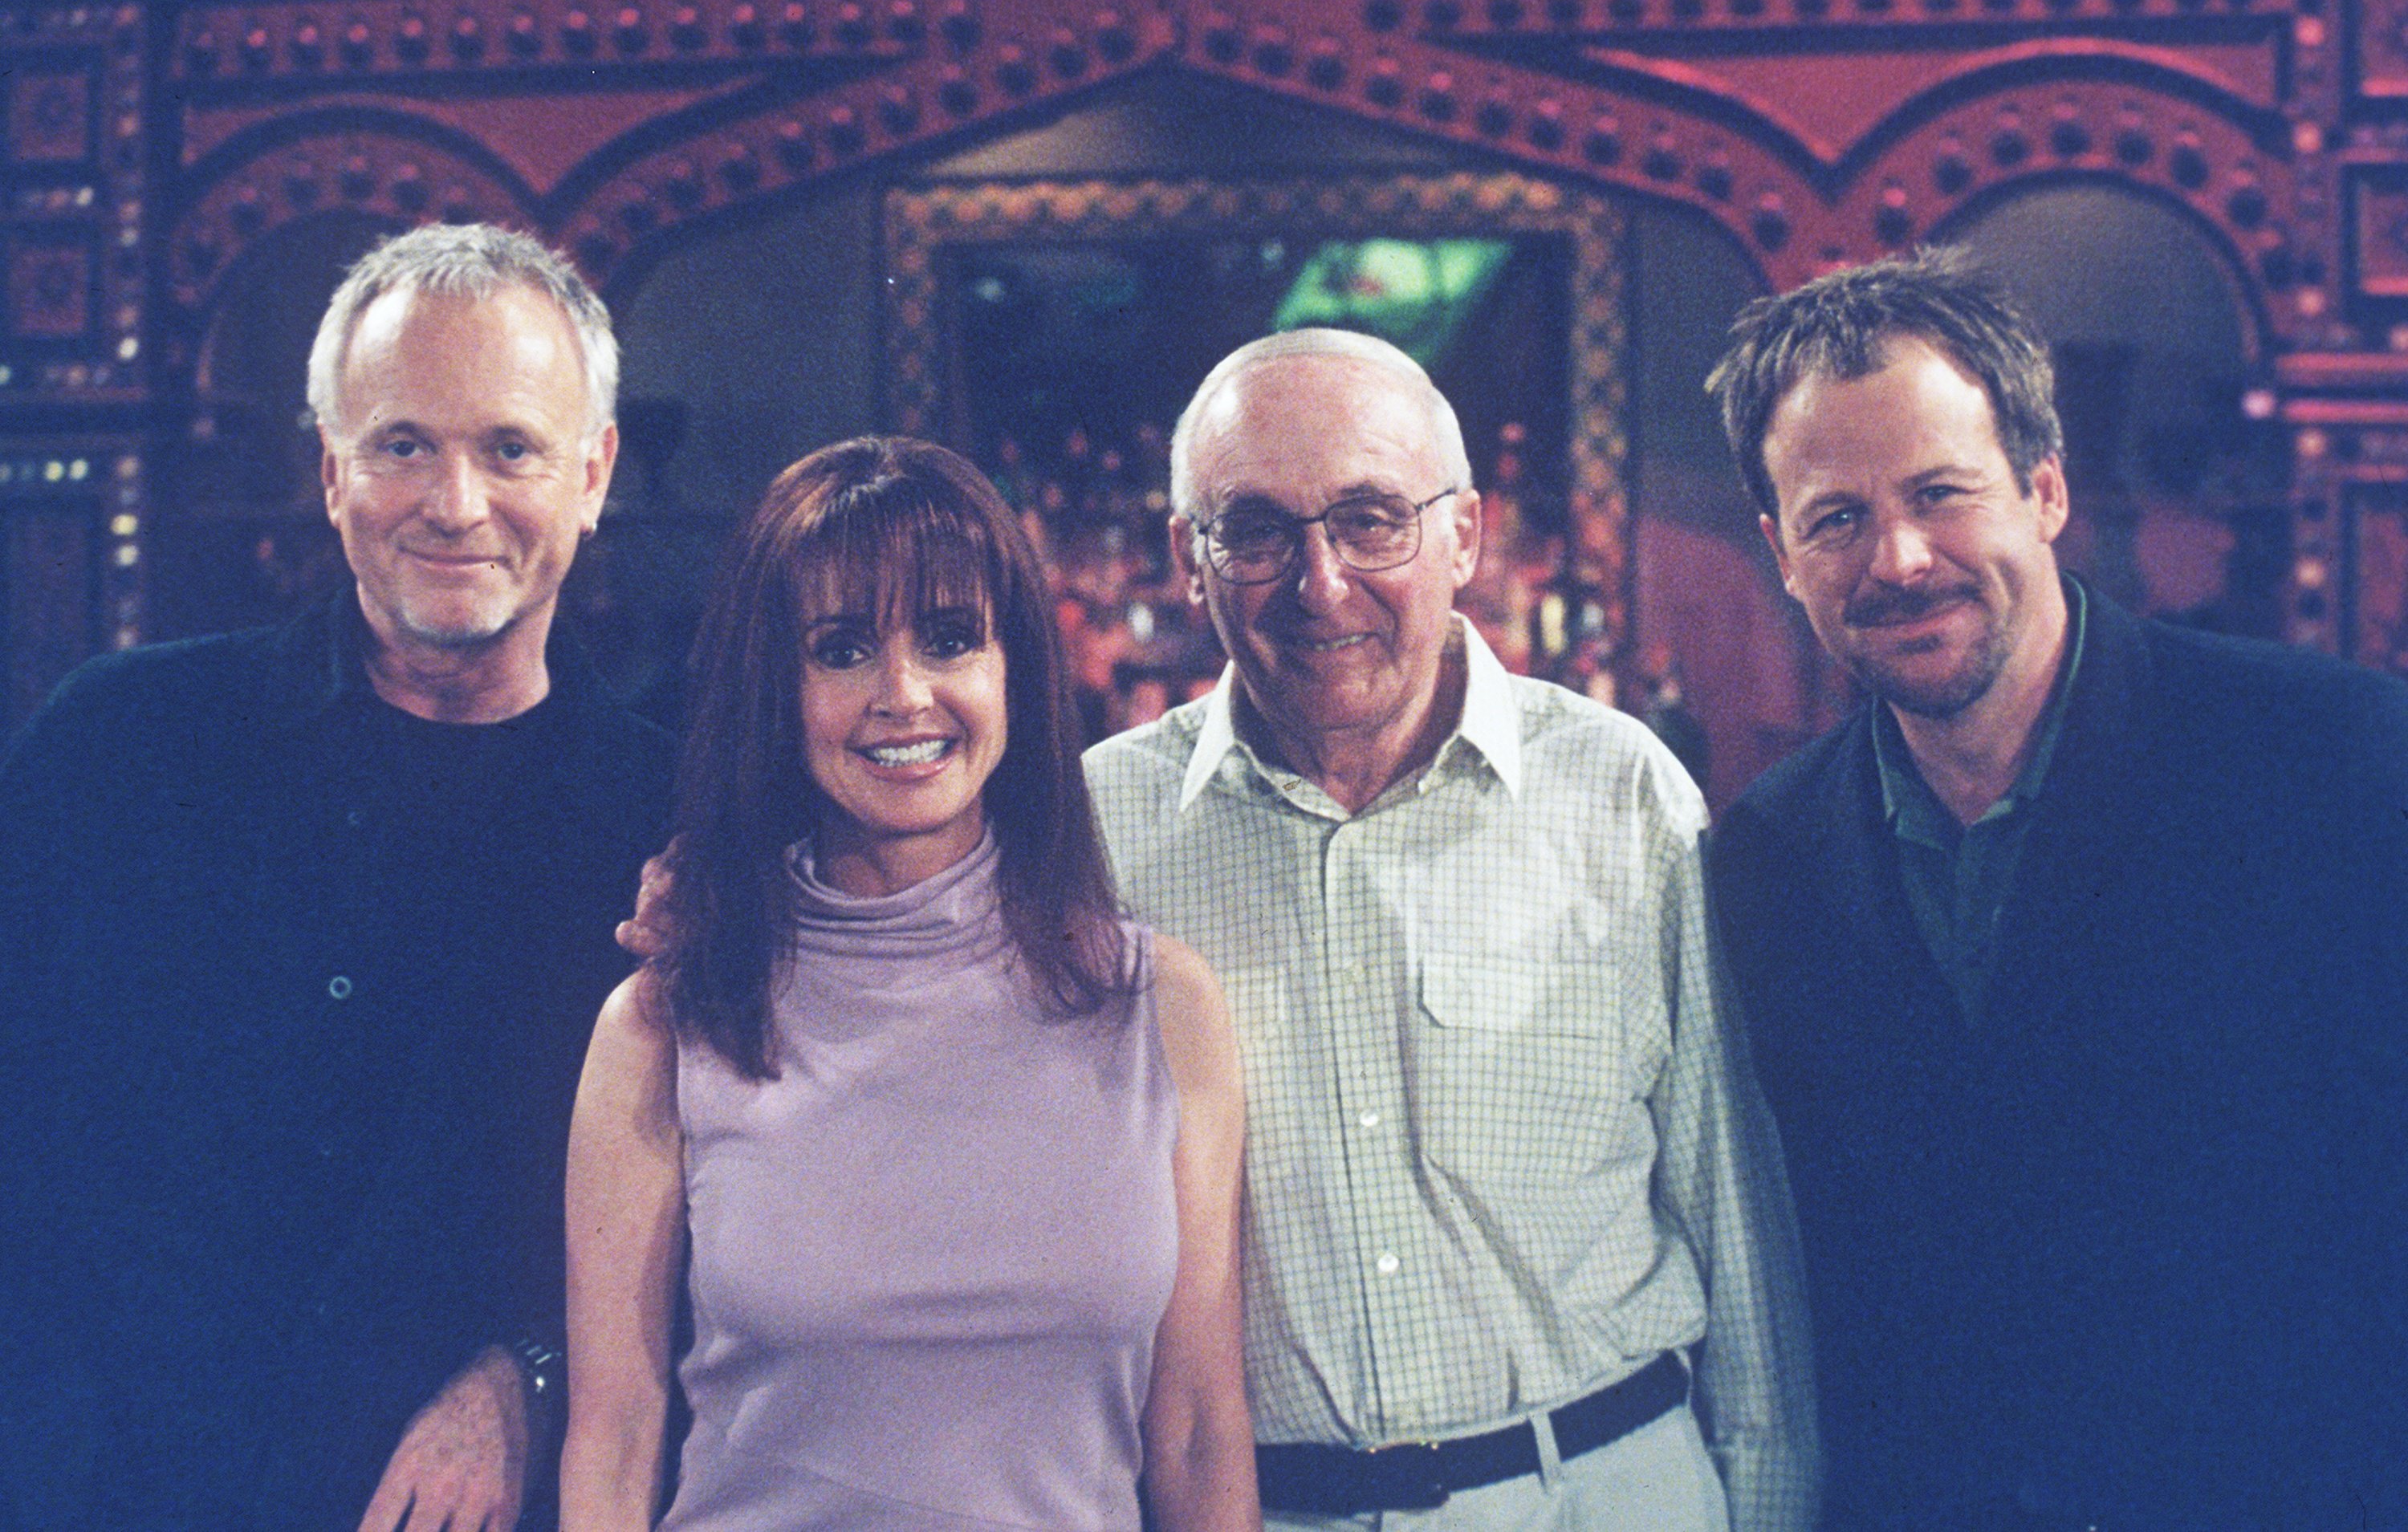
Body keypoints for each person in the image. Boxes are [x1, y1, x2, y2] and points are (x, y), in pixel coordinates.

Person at [1703, 246, 2408, 1530]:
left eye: (1941, 492)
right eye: (1837, 517)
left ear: (2044, 488)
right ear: (1782, 552)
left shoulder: (2337, 760)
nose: (1900, 557)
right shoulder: (1762, 852)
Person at [1082, 329, 1818, 1531]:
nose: (1321, 583)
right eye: (1259, 530)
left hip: (1604, 1494)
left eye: (1373, 519)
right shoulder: (1097, 830)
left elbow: (1734, 1225)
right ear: (1189, 559)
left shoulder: (1619, 794)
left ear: (1464, 534)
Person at [0, 222, 674, 1531]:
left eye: (512, 448)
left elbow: (749, 1231)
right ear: (330, 473)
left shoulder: (680, 818)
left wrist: (529, 1373)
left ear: (593, 474)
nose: (455, 502)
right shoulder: (114, 744)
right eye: (402, 443)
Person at [559, 437, 1257, 1532]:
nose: (903, 693)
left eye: (949, 638)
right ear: (774, 687)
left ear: (1013, 668)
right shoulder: (663, 1022)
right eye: (841, 649)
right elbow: (615, 1440)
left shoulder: (1163, 1007)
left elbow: (1200, 1431)